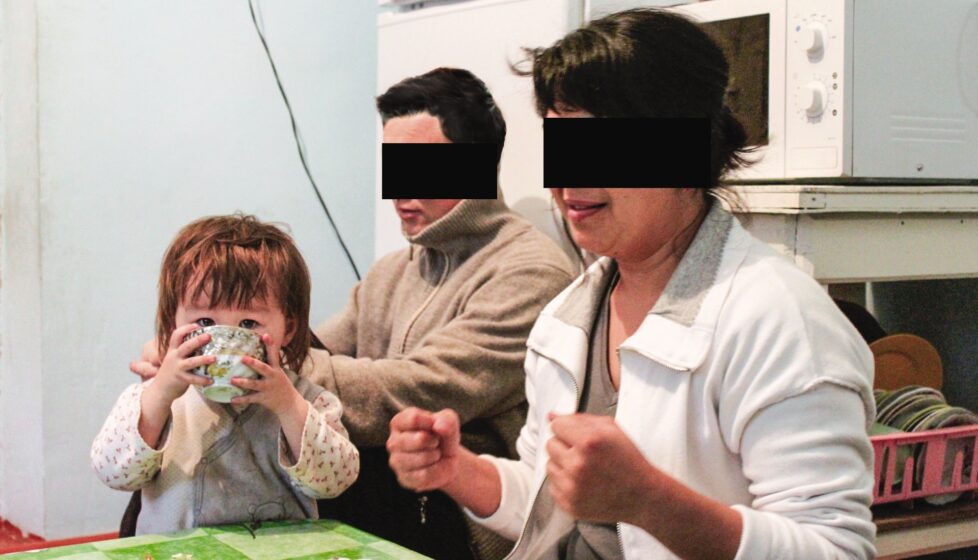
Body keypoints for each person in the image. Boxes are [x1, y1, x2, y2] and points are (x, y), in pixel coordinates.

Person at [386, 9, 876, 560]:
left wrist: (648, 501)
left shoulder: (780, 319)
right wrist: (460, 471)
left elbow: (835, 549)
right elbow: (556, 502)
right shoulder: (569, 315)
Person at [130, 68, 575, 559]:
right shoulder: (392, 270)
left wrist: (252, 359)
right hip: (384, 472)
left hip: (452, 500)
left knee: (293, 461)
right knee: (183, 445)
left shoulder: (530, 271)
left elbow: (418, 390)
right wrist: (196, 354)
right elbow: (312, 350)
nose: (401, 194)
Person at [94, 214, 359, 534]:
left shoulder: (305, 399)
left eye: (248, 324)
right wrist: (160, 392)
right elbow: (113, 472)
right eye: (205, 322)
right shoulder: (158, 396)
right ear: (172, 324)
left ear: (287, 329)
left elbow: (335, 481)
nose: (226, 339)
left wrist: (288, 405)